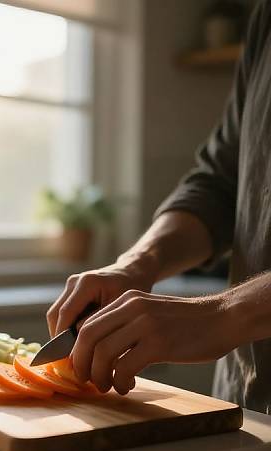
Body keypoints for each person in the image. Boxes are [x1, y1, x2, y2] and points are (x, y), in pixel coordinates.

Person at [47, 0, 271, 415]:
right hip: (248, 404)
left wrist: (224, 313)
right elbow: (218, 184)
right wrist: (134, 265)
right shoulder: (266, 18)